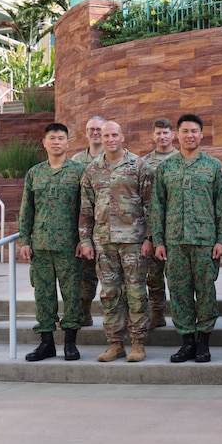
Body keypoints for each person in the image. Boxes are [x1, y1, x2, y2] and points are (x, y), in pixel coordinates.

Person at [151, 114, 222, 363]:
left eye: (194, 131)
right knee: (179, 292)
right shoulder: (165, 168)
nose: (189, 135)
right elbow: (157, 206)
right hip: (175, 242)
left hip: (205, 242)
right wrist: (159, 241)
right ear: (177, 134)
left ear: (201, 134)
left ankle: (204, 342)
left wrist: (221, 240)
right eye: (185, 131)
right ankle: (187, 341)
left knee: (206, 292)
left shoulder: (213, 166)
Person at [79, 121, 153, 362]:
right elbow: (86, 209)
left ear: (123, 136)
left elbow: (151, 205)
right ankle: (115, 343)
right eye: (105, 135)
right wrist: (86, 240)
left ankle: (138, 343)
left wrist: (150, 238)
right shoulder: (92, 170)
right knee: (109, 294)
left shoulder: (139, 165)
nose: (109, 139)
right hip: (104, 242)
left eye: (114, 135)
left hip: (133, 241)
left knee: (135, 292)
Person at [19, 123, 85, 361]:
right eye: (52, 138)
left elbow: (86, 210)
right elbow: (27, 210)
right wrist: (25, 240)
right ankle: (46, 343)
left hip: (70, 246)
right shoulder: (34, 173)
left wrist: (84, 239)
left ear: (68, 143)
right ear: (44, 143)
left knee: (72, 294)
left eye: (61, 138)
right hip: (42, 247)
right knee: (43, 296)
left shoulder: (79, 172)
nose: (56, 142)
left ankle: (70, 343)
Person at [141, 117, 179, 330]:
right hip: (153, 226)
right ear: (152, 135)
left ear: (173, 135)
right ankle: (157, 311)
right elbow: (143, 199)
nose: (162, 137)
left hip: (176, 226)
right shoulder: (144, 163)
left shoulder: (180, 158)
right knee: (153, 274)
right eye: (158, 133)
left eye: (166, 133)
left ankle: (180, 313)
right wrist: (147, 233)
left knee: (176, 274)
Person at [71, 115, 105, 327]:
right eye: (91, 129)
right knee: (85, 273)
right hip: (84, 225)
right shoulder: (76, 161)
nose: (95, 133)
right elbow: (74, 198)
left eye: (99, 129)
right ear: (86, 133)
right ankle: (84, 311)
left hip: (108, 225)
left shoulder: (116, 158)